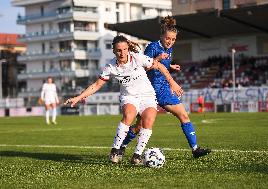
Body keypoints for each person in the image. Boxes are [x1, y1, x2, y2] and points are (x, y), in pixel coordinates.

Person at [64, 35, 183, 165]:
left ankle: (137, 155)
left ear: (128, 49)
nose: (122, 53)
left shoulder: (137, 58)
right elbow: (96, 85)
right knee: (129, 115)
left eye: (125, 49)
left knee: (148, 121)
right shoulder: (111, 66)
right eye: (119, 50)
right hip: (129, 96)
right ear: (114, 51)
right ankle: (115, 151)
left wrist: (172, 83)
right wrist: (78, 97)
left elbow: (159, 66)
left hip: (147, 95)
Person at [120, 16, 211, 158]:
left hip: (163, 89)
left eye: (173, 39)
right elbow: (143, 69)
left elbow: (163, 65)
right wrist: (157, 59)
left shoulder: (169, 48)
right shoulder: (152, 47)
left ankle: (195, 149)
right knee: (139, 126)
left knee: (184, 115)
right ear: (162, 36)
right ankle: (122, 146)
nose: (170, 41)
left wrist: (170, 65)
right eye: (168, 38)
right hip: (149, 90)